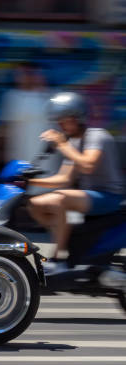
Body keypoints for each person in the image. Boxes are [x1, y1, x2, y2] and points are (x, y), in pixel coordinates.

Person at [27, 92, 124, 270]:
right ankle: (69, 237)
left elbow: (88, 165)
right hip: (88, 197)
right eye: (58, 121)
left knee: (59, 199)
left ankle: (59, 259)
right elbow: (64, 179)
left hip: (109, 196)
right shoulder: (74, 143)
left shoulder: (97, 135)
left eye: (64, 120)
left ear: (78, 117)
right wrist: (30, 182)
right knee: (36, 204)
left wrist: (62, 144)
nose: (60, 124)